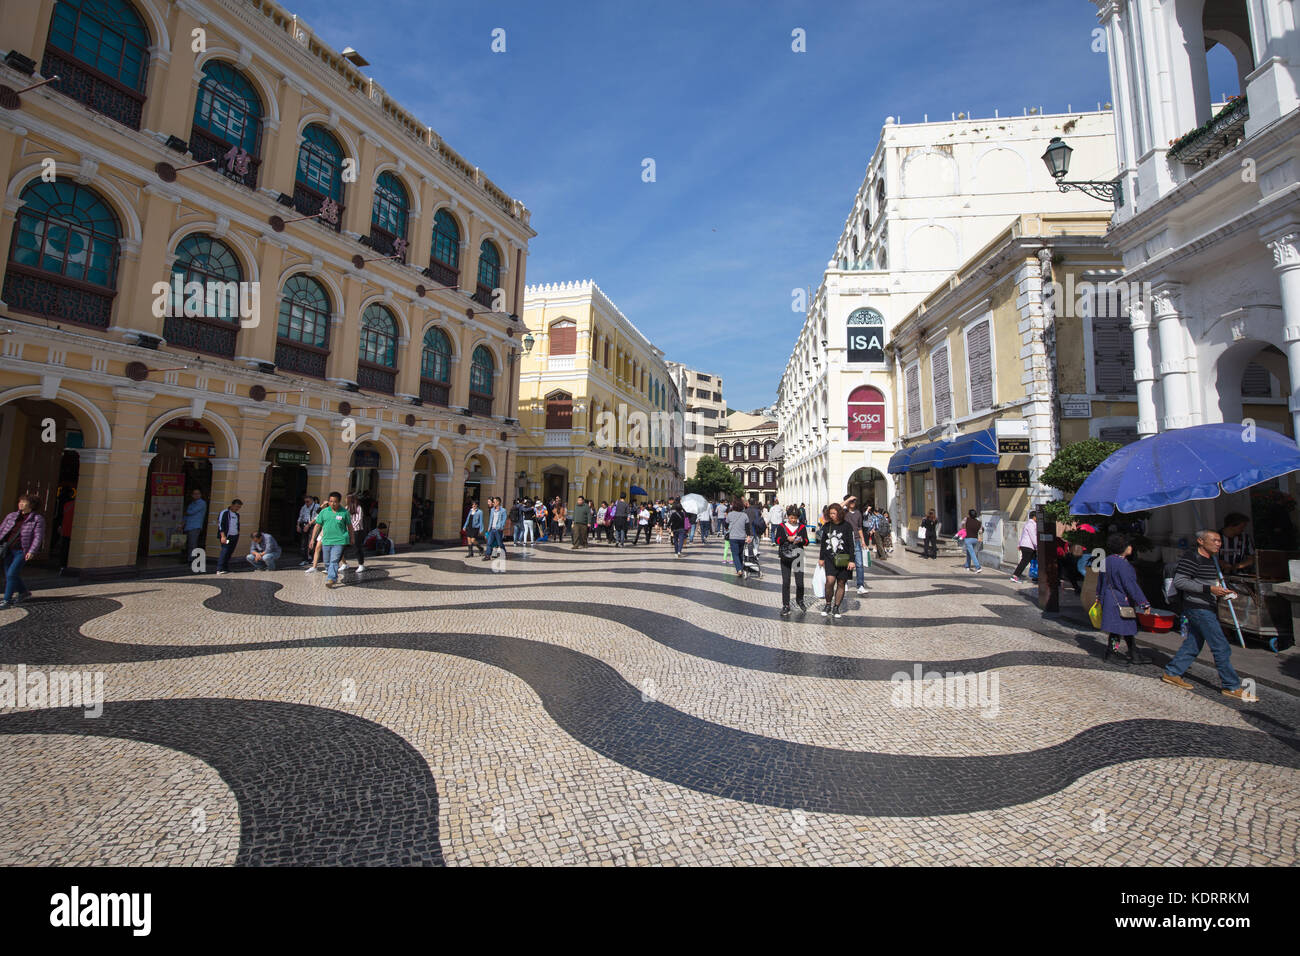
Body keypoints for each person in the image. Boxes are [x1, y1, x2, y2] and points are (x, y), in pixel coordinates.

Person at [1162, 530, 1253, 701]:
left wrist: (1220, 591)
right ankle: (1231, 686)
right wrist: (1209, 589)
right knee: (1220, 646)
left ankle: (1172, 672)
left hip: (1206, 606)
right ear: (1201, 541)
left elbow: (1207, 583)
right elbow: (1181, 582)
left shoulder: (1212, 561)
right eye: (1215, 540)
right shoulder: (1191, 558)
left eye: (1219, 541)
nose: (1219, 543)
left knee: (1194, 643)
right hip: (1198, 607)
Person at [1097, 533, 1152, 664]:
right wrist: (1143, 603)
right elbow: (1131, 585)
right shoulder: (1123, 565)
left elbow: (1101, 580)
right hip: (1121, 600)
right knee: (1118, 629)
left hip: (1108, 598)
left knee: (1125, 627)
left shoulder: (1106, 561)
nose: (1131, 547)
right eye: (1129, 545)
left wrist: (1098, 595)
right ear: (1125, 548)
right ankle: (1112, 653)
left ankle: (1134, 653)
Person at [0, 494, 45, 609]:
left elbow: (38, 537)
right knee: (10, 574)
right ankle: (23, 592)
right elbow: (2, 530)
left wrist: (32, 551)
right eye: (20, 501)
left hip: (22, 551)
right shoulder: (11, 516)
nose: (21, 503)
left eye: (24, 502)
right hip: (8, 549)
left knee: (11, 574)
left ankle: (7, 600)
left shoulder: (37, 519)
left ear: (32, 505)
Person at [818, 502, 855, 619]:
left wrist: (852, 560)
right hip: (830, 558)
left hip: (844, 558)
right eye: (831, 513)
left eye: (834, 513)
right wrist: (821, 558)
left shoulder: (847, 526)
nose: (832, 515)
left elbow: (851, 544)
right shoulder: (827, 526)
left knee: (841, 583)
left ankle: (836, 607)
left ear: (839, 513)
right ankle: (828, 604)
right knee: (830, 581)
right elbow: (823, 544)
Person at [775, 505, 809, 615]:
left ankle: (800, 600)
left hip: (798, 556)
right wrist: (787, 538)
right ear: (788, 517)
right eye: (791, 517)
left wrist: (801, 540)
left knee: (800, 582)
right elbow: (777, 540)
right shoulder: (781, 526)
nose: (793, 520)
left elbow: (807, 542)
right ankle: (786, 605)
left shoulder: (802, 527)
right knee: (786, 582)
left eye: (795, 518)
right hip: (785, 557)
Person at [314, 492, 351, 589]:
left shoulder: (344, 512)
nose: (332, 503)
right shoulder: (324, 512)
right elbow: (317, 525)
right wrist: (312, 539)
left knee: (334, 560)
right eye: (330, 501)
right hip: (326, 540)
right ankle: (331, 573)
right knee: (326, 561)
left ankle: (331, 579)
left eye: (335, 502)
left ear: (339, 502)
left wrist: (352, 538)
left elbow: (350, 526)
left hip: (340, 540)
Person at [724, 497, 752, 578]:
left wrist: (728, 527)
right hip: (742, 537)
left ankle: (739, 569)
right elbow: (747, 527)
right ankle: (741, 568)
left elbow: (726, 525)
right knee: (740, 553)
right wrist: (748, 536)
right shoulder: (745, 515)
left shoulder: (730, 514)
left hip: (733, 537)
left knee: (735, 554)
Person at [844, 497, 867, 595]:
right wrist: (847, 500)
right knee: (845, 562)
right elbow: (836, 508)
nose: (853, 503)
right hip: (846, 540)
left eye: (854, 501)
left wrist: (863, 541)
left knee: (859, 563)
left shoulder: (858, 513)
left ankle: (860, 585)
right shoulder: (843, 512)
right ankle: (844, 582)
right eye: (851, 501)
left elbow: (859, 528)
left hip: (856, 540)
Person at [216, 499, 242, 575]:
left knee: (230, 552)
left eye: (239, 507)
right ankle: (219, 568)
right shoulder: (225, 513)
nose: (237, 508)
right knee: (225, 550)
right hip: (227, 536)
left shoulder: (237, 515)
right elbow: (221, 524)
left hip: (235, 536)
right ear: (232, 505)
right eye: (236, 506)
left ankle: (225, 568)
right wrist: (223, 536)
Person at [182, 488, 207, 564]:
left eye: (198, 494)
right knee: (188, 543)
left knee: (193, 543)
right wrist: (182, 523)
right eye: (194, 494)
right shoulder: (192, 503)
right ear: (192, 495)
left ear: (200, 495)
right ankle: (188, 558)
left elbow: (190, 512)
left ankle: (192, 559)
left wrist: (186, 512)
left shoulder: (201, 503)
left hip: (195, 526)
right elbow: (186, 515)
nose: (196, 495)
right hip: (188, 525)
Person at [1010, 514, 1038, 582]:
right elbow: (1033, 536)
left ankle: (1035, 576)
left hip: (1026, 545)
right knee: (1025, 561)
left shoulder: (1027, 523)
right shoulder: (1031, 524)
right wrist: (1037, 545)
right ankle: (1015, 576)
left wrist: (1020, 544)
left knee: (1033, 560)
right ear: (1034, 517)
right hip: (1028, 546)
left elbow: (1023, 535)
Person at [344, 493, 366, 574]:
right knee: (342, 546)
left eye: (346, 498)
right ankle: (344, 563)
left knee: (357, 547)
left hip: (357, 530)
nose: (345, 500)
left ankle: (361, 564)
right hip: (347, 530)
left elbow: (359, 519)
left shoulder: (358, 508)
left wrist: (351, 528)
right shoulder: (346, 508)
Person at [295, 494, 318, 565]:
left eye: (308, 502)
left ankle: (311, 557)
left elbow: (317, 517)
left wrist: (309, 524)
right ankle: (304, 558)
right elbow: (300, 516)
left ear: (311, 500)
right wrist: (298, 525)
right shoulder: (304, 507)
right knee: (303, 542)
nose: (306, 503)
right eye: (305, 502)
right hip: (304, 524)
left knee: (311, 541)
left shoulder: (316, 507)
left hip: (312, 525)